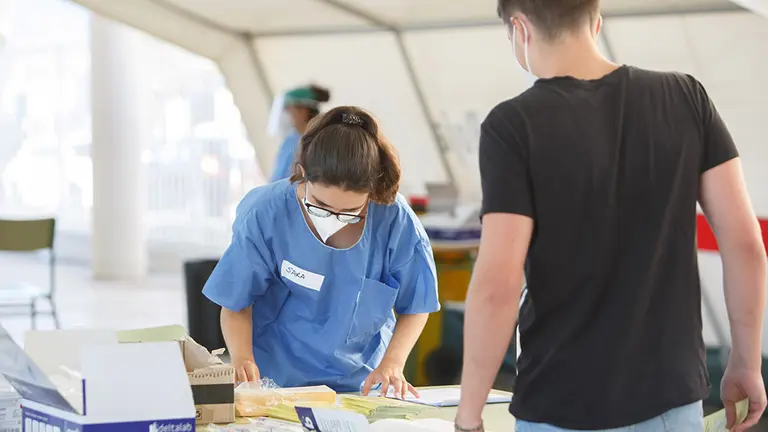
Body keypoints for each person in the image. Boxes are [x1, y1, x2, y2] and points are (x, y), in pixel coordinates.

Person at [454, 1, 767, 432]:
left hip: (561, 404)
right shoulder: (685, 97)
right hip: (671, 403)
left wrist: (468, 415)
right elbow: (746, 245)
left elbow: (498, 285)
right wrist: (747, 363)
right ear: (596, 22)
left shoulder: (512, 126)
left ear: (520, 29)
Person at [203, 106, 440, 397]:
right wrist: (242, 360)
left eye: (351, 212)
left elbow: (417, 304)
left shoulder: (395, 219)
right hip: (276, 382)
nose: (334, 219)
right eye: (321, 206)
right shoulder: (266, 214)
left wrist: (392, 363)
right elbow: (235, 301)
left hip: (361, 384)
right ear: (302, 174)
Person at [268, 85, 331, 183]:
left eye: (289, 109)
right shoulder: (290, 140)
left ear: (303, 111)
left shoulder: (320, 142)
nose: (286, 115)